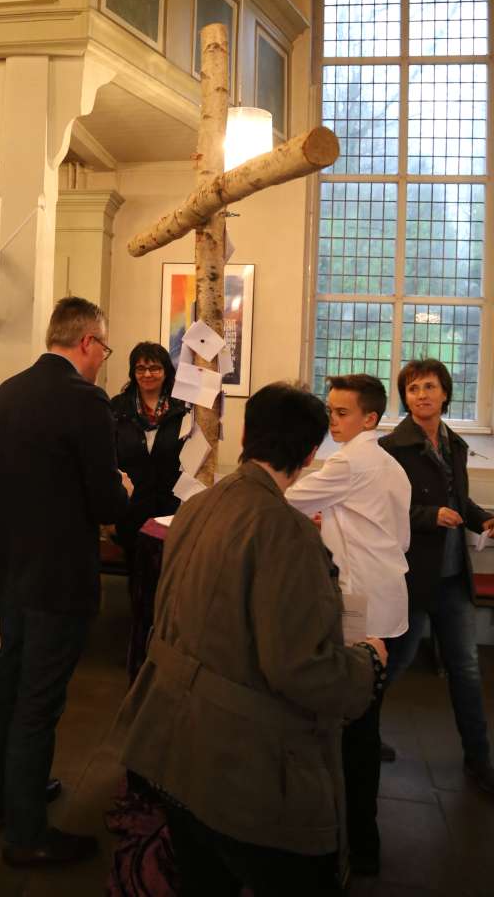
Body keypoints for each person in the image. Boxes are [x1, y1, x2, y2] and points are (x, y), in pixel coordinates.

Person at [112, 383, 386, 896]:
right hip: (243, 769)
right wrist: (367, 664)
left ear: (245, 434)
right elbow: (301, 668)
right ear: (310, 453)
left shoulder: (197, 506)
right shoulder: (289, 532)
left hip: (171, 741)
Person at [0, 296, 131, 868]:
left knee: (10, 681)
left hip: (8, 567)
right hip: (57, 573)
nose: (104, 358)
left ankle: (4, 798)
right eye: (104, 347)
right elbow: (106, 500)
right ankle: (27, 834)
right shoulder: (86, 401)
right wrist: (123, 491)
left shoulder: (6, 392)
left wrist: (21, 516)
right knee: (39, 699)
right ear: (86, 343)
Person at [286, 373, 410, 876]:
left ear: (370, 419)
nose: (331, 419)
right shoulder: (387, 463)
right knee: (363, 723)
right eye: (330, 410)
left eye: (341, 413)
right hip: (388, 597)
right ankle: (360, 839)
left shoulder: (351, 459)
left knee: (353, 731)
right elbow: (397, 537)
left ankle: (356, 843)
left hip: (362, 606)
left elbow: (287, 497)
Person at [379, 358, 494, 794]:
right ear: (404, 397)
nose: (422, 395)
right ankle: (359, 736)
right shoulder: (392, 448)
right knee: (392, 665)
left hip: (452, 579)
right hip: (411, 577)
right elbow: (384, 513)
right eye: (413, 389)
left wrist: (482, 519)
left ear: (445, 393)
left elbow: (459, 501)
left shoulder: (455, 445)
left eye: (430, 386)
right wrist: (428, 516)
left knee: (466, 669)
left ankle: (479, 760)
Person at [110, 342, 188, 680]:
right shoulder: (117, 410)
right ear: (132, 373)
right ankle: (138, 652)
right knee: (138, 583)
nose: (147, 374)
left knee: (170, 581)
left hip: (171, 509)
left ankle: (165, 649)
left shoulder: (184, 409)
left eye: (154, 368)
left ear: (166, 371)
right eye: (140, 368)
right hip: (132, 510)